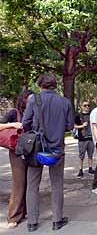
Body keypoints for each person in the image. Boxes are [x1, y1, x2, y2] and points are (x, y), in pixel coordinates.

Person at [22, 74, 74, 232]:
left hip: (37, 148)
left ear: (40, 85)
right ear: (54, 85)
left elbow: (25, 123)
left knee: (32, 185)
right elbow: (70, 125)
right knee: (57, 184)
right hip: (57, 148)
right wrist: (57, 129)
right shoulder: (65, 102)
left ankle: (32, 222)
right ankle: (57, 220)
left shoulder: (33, 100)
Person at [0, 89, 33, 229]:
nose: (31, 101)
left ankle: (24, 211)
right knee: (19, 183)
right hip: (17, 152)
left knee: (29, 182)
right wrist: (13, 124)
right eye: (29, 98)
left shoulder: (33, 112)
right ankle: (13, 216)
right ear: (23, 99)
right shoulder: (14, 113)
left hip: (31, 150)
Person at [74, 101, 95, 178]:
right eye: (85, 105)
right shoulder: (78, 115)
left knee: (90, 154)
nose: (87, 107)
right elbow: (74, 126)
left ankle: (90, 168)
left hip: (91, 138)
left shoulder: (92, 115)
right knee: (81, 155)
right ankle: (80, 170)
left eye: (88, 105)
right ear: (81, 106)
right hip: (82, 138)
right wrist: (82, 125)